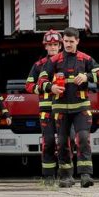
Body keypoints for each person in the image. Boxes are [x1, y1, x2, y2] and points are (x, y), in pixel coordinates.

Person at [37, 28, 99, 188]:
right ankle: (66, 176)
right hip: (60, 110)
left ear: (77, 41)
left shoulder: (85, 59)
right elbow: (41, 80)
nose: (68, 44)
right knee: (62, 142)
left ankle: (85, 175)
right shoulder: (54, 60)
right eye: (66, 41)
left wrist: (87, 76)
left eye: (71, 41)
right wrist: (51, 87)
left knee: (82, 138)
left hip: (81, 108)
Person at [26, 30, 64, 187]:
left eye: (55, 44)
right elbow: (28, 85)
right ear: (45, 47)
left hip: (64, 109)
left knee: (65, 142)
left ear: (60, 46)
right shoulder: (38, 65)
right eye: (50, 45)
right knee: (48, 142)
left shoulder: (67, 62)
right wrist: (43, 88)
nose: (53, 47)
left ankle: (64, 174)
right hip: (46, 110)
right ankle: (48, 175)